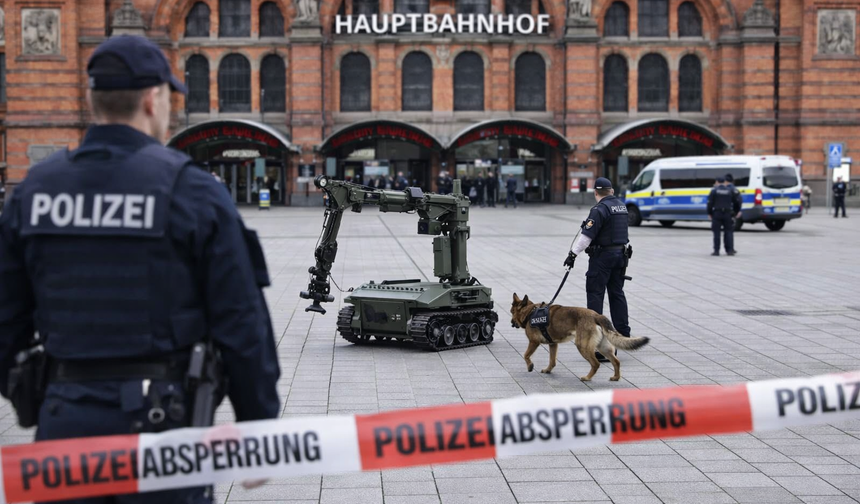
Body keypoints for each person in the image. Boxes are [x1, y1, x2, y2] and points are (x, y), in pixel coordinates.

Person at [0, 35, 280, 503]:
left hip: (65, 423)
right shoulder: (191, 190)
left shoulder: (33, 192)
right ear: (153, 100)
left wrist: (32, 396)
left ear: (92, 100)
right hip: (163, 429)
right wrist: (257, 425)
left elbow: (5, 320)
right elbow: (241, 321)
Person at [563, 177, 631, 361]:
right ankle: (623, 334)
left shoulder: (599, 209)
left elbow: (586, 238)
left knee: (595, 296)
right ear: (611, 190)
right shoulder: (621, 207)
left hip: (602, 259)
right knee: (617, 294)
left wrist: (572, 254)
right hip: (620, 257)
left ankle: (599, 345)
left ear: (596, 192)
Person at [708, 176, 742, 256]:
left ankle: (716, 251)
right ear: (724, 182)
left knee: (716, 233)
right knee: (728, 232)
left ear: (717, 182)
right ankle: (729, 251)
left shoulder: (714, 191)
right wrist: (735, 212)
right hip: (727, 213)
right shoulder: (730, 191)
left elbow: (710, 204)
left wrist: (710, 213)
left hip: (717, 213)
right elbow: (736, 202)